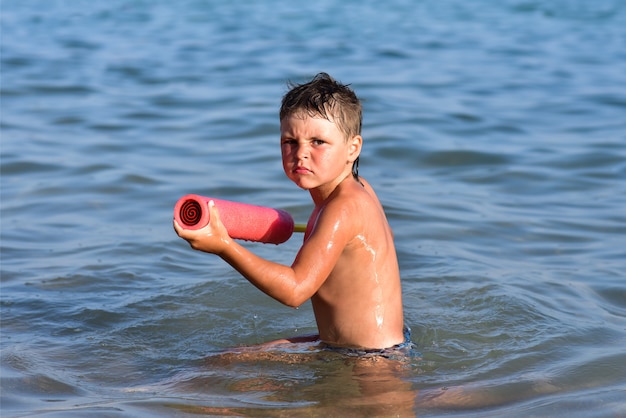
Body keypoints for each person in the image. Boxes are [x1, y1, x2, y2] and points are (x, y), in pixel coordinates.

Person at [174, 72, 409, 353]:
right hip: (380, 346)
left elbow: (295, 290)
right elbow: (385, 235)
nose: (301, 153)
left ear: (353, 148)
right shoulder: (360, 190)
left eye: (318, 142)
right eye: (290, 142)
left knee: (218, 371)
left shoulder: (342, 209)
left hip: (369, 361)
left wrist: (224, 246)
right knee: (234, 358)